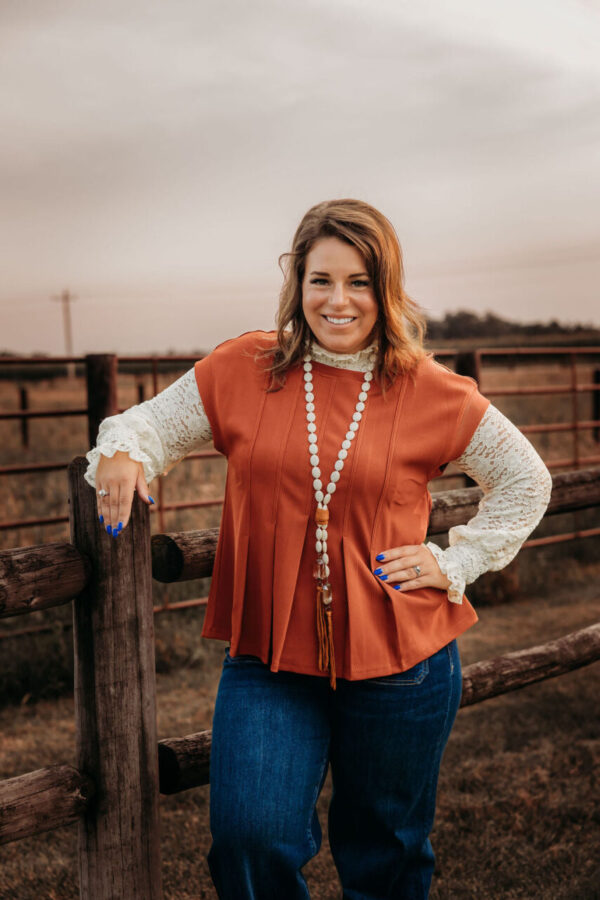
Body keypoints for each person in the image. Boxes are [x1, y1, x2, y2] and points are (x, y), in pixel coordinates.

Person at [85, 198, 553, 899]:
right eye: (321, 280)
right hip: (268, 659)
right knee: (250, 838)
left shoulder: (429, 388)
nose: (338, 300)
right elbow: (147, 424)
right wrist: (123, 453)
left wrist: (456, 561)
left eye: (359, 281)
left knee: (386, 855)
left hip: (404, 661)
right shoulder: (246, 366)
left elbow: (525, 479)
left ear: (385, 289)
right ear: (296, 282)